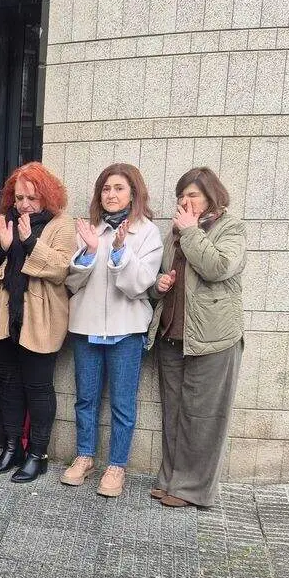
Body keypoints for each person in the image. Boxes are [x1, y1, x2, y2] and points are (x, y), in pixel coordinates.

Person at [148, 167, 246, 508]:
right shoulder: (175, 233)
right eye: (181, 196)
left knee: (203, 418)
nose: (185, 201)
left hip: (213, 338)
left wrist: (190, 232)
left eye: (193, 195)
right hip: (172, 335)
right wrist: (159, 285)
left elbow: (219, 267)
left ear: (211, 197)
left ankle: (192, 489)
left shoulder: (230, 228)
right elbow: (161, 276)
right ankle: (170, 479)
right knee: (174, 413)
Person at [62, 163, 162, 498]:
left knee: (122, 403)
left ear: (133, 193)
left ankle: (117, 465)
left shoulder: (147, 233)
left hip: (126, 330)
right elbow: (71, 283)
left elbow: (139, 284)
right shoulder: (89, 229)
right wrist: (90, 252)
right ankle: (84, 456)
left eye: (119, 188)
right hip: (86, 326)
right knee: (85, 398)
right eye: (106, 189)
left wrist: (120, 251)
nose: (111, 194)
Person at [0, 162, 76, 483]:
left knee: (39, 388)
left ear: (47, 195)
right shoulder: (2, 221)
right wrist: (3, 249)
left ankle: (37, 454)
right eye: (19, 198)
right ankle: (12, 447)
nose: (24, 204)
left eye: (32, 198)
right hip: (3, 316)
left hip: (40, 319)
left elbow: (61, 267)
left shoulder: (61, 224)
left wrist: (31, 241)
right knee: (9, 385)